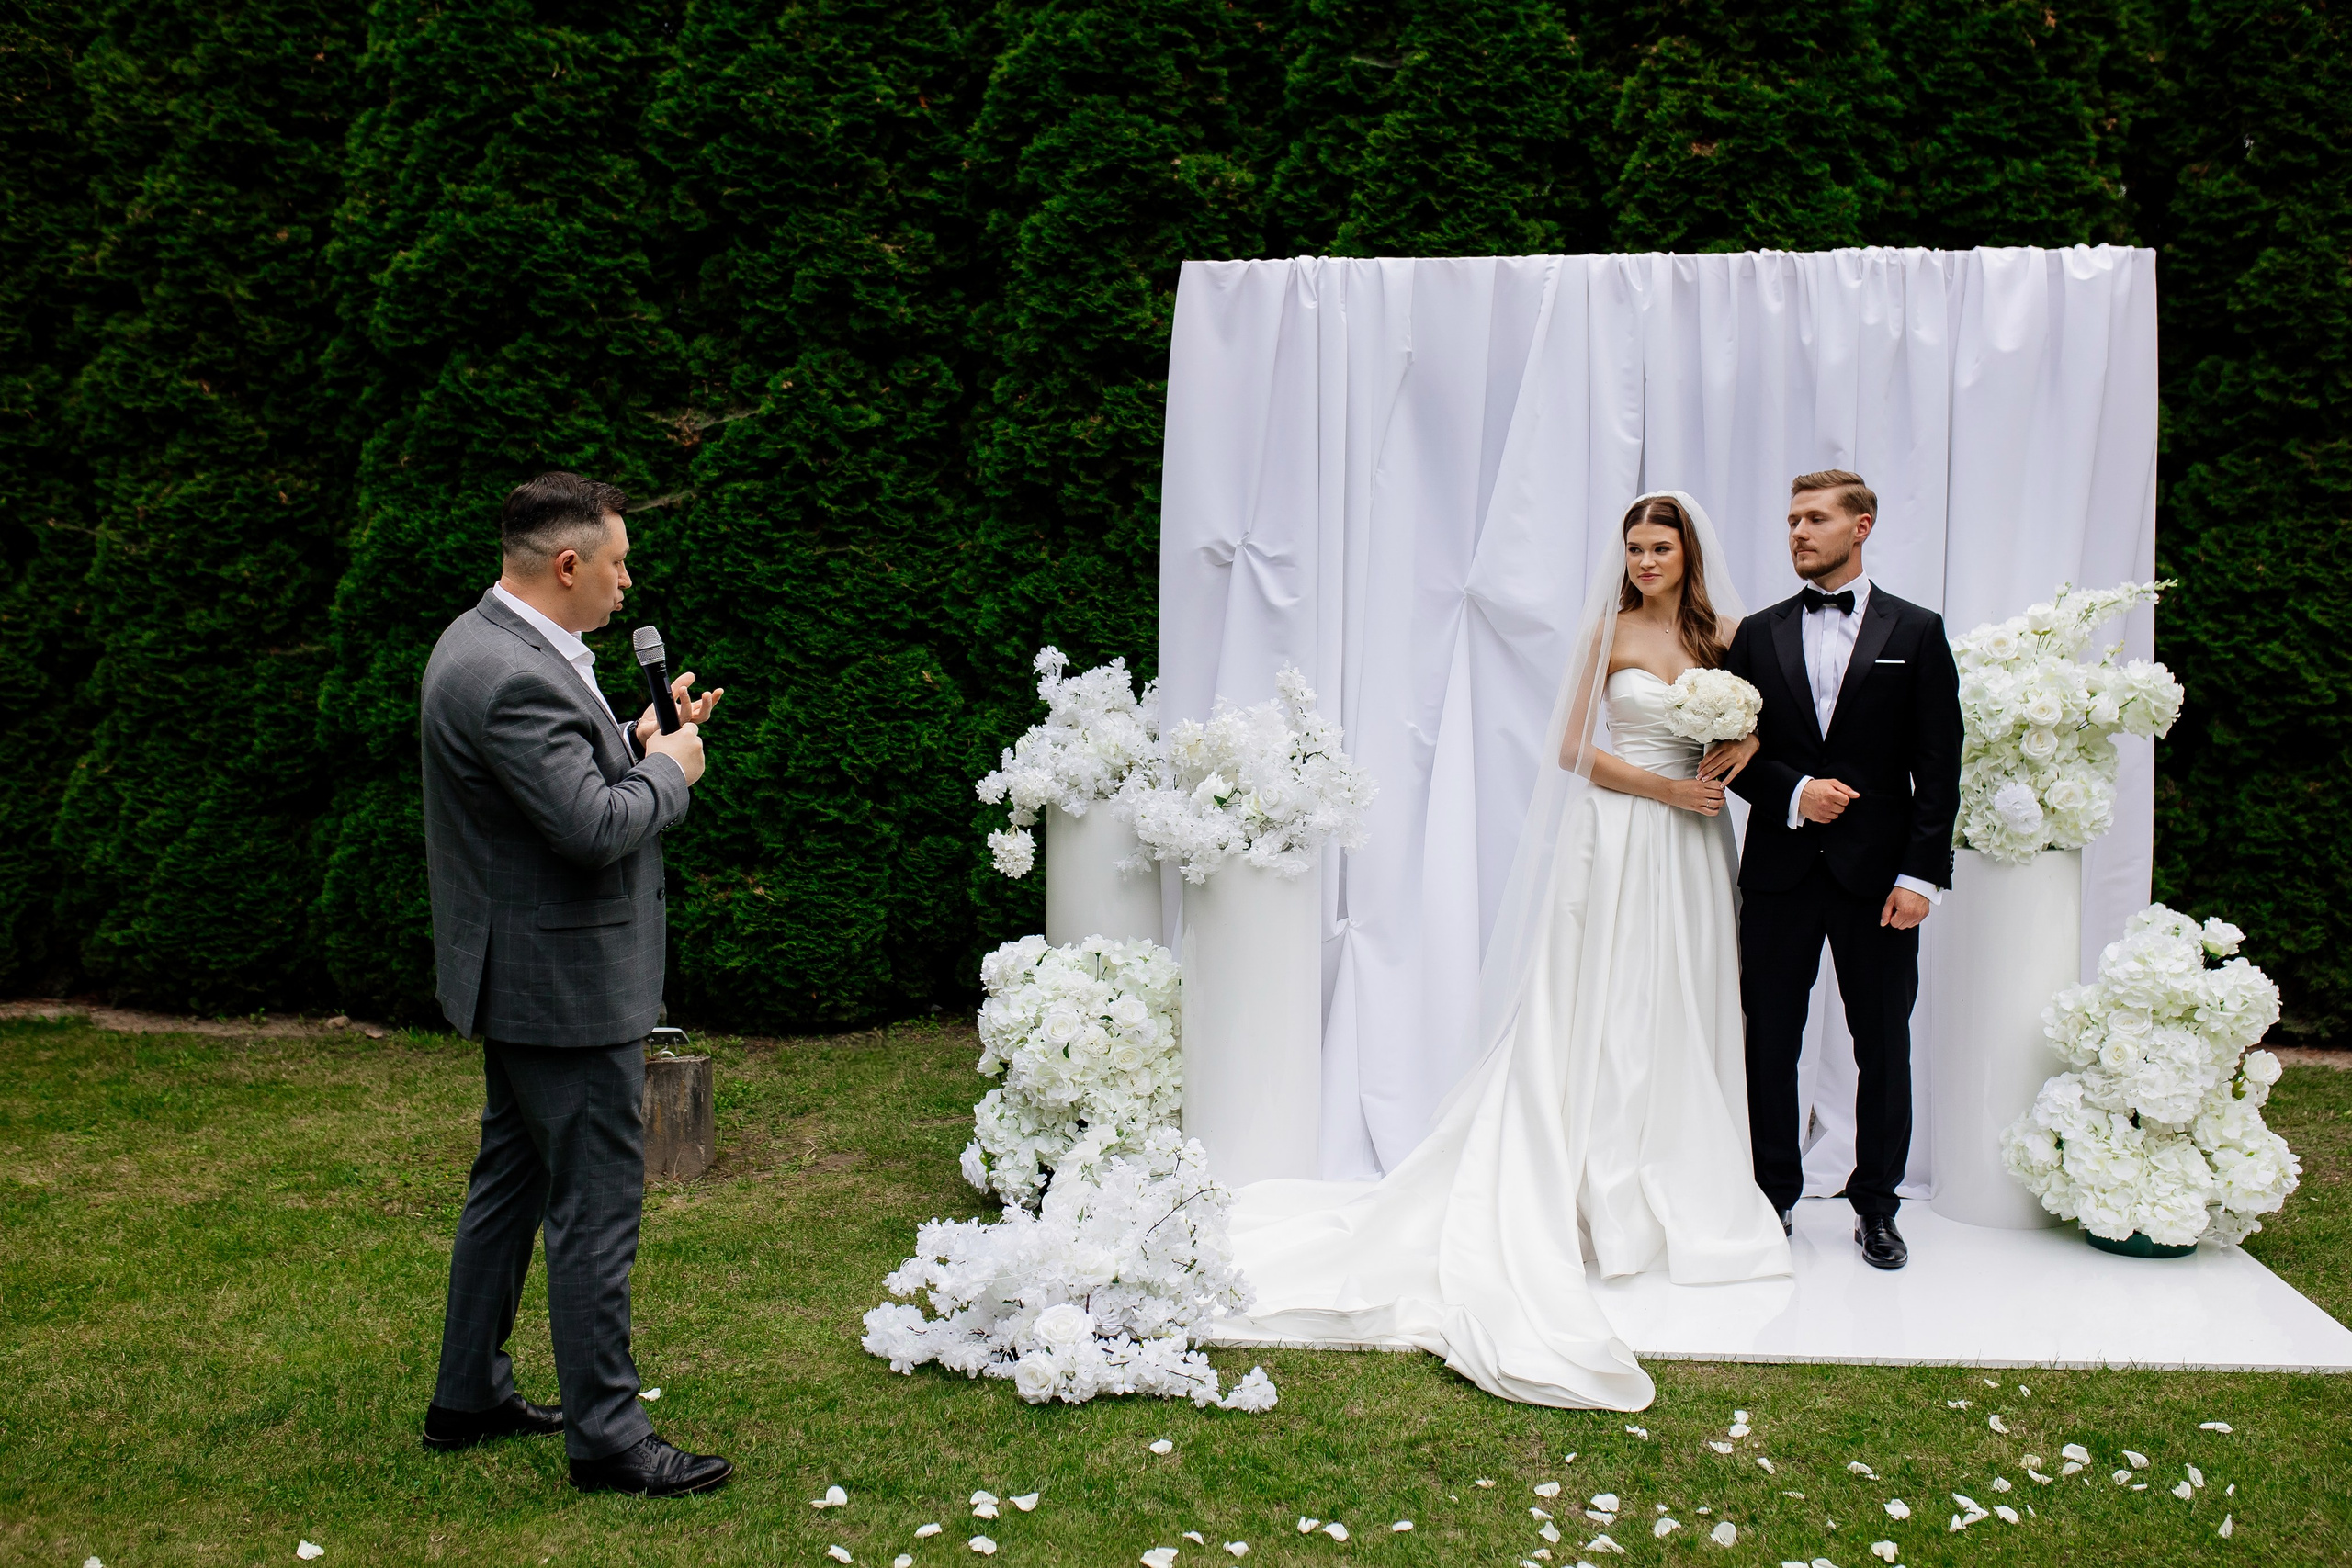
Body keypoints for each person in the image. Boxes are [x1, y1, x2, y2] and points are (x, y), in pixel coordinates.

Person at [1208, 491, 1790, 1411]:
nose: (1644, 561)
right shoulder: (1607, 632)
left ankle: (1668, 1183)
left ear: (1688, 553)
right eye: (1634, 546)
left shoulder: (1729, 631)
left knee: (1679, 999)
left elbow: (1770, 726)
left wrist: (1747, 739)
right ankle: (1588, 1189)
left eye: (1659, 546)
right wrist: (1663, 790)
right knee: (1598, 1002)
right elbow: (1568, 750)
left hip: (1692, 846)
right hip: (1622, 832)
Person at [416, 471, 732, 1495]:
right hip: (565, 983)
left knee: (510, 1185)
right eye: (616, 562)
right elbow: (593, 828)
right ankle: (607, 1438)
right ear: (566, 565)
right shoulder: (513, 673)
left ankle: (468, 1393)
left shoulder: (491, 642)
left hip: (523, 972)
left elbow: (558, 785)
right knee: (595, 1207)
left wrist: (637, 741)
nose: (627, 584)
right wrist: (672, 772)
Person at [1716, 470, 1962, 1271]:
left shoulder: (1918, 632)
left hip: (1880, 880)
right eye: (1791, 519)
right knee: (1769, 1043)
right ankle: (1771, 1197)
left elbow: (1940, 765)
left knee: (1882, 1045)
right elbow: (1732, 754)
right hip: (1782, 873)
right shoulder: (1756, 633)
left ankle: (1878, 1206)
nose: (1798, 532)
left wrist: (1920, 879)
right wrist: (1793, 791)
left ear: (1861, 527)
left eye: (1815, 518)